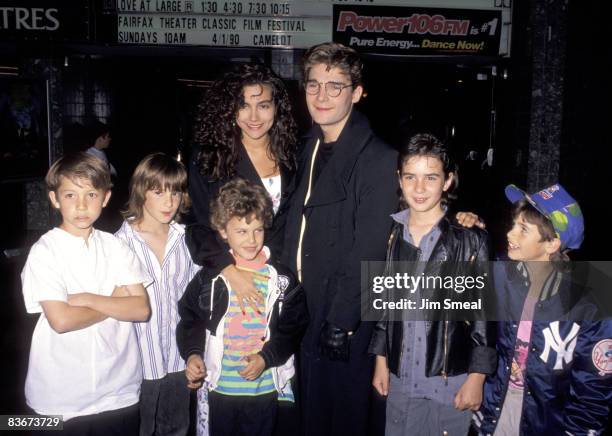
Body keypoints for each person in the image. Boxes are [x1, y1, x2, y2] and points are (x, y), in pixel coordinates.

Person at [280, 42, 398, 436]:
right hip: (303, 308)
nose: (322, 96)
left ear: (357, 92)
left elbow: (370, 248)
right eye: (314, 85)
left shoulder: (378, 158)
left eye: (335, 86)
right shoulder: (305, 147)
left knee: (340, 419)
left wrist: (342, 322)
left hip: (341, 315)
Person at [369, 133, 496, 435]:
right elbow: (387, 303)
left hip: (447, 380)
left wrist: (477, 377)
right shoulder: (392, 234)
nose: (419, 188)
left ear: (448, 181)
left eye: (431, 177)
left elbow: (483, 315)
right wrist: (380, 359)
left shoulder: (469, 238)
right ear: (399, 179)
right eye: (410, 176)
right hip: (401, 375)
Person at [20, 152, 150, 435]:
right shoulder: (45, 251)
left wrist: (88, 298)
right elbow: (62, 321)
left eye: (91, 194)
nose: (81, 205)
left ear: (105, 198)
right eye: (70, 195)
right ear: (55, 199)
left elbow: (141, 309)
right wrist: (116, 300)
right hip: (59, 398)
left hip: (119, 391)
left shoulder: (116, 247)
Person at [472, 183, 612, 435]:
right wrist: (467, 230)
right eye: (513, 224)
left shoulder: (592, 304)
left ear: (552, 244)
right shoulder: (503, 274)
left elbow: (592, 391)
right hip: (495, 408)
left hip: (546, 422)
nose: (510, 234)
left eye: (523, 229)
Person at [176, 178, 308, 436]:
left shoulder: (281, 279)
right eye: (241, 231)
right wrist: (192, 354)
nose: (251, 240)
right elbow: (190, 317)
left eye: (258, 230)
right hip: (221, 390)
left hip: (264, 390)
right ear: (223, 231)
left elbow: (294, 328)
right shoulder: (210, 277)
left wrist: (266, 358)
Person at [187, 63, 298, 314]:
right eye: (243, 105)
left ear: (276, 107)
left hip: (280, 278)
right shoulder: (209, 158)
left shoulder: (292, 155)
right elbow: (198, 225)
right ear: (230, 109)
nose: (254, 117)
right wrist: (231, 272)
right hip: (230, 279)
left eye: (263, 105)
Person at [114, 153, 200, 436]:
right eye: (158, 191)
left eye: (175, 192)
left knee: (175, 428)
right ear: (141, 191)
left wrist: (195, 352)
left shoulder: (187, 240)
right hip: (136, 363)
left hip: (177, 359)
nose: (169, 201)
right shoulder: (118, 245)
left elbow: (193, 304)